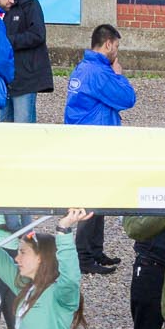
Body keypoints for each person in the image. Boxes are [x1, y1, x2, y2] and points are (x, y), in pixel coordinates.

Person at [63, 24, 136, 276]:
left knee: (99, 195)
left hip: (85, 141)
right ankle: (84, 256)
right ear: (108, 44)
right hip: (94, 144)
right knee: (90, 197)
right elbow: (127, 99)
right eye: (117, 46)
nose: (117, 51)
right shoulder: (100, 73)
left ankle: (95, 251)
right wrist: (119, 75)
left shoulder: (84, 68)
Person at [0, 0, 52, 124]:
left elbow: (38, 35)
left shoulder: (29, 2)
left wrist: (8, 41)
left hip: (25, 77)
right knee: (1, 126)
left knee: (23, 125)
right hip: (0, 77)